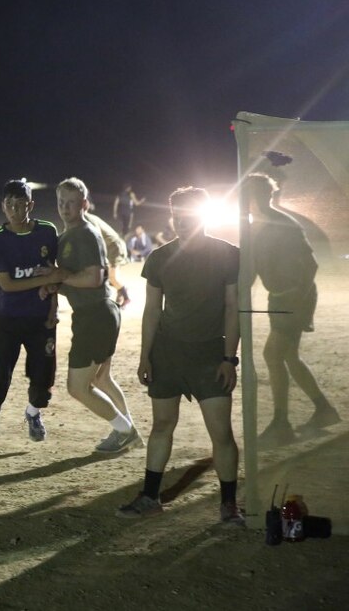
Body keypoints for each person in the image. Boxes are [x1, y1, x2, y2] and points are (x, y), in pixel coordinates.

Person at [117, 186, 244, 525]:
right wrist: (145, 356)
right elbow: (151, 313)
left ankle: (229, 504)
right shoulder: (159, 258)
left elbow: (234, 308)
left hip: (209, 355)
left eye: (189, 217)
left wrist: (229, 358)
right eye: (177, 217)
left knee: (221, 433)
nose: (182, 223)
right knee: (162, 425)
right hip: (168, 353)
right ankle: (150, 497)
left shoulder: (228, 254)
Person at [243, 173, 339, 444]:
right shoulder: (253, 228)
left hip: (295, 298)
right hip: (279, 298)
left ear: (259, 197)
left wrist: (298, 298)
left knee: (273, 355)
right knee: (288, 356)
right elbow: (250, 271)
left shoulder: (284, 225)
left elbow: (311, 265)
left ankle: (281, 422)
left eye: (247, 196)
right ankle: (324, 409)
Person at [53, 178, 140, 453]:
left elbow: (93, 278)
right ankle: (127, 430)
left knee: (77, 387)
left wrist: (60, 277)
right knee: (101, 379)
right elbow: (76, 280)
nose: (65, 208)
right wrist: (56, 284)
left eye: (72, 203)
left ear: (84, 205)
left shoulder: (85, 233)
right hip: (97, 314)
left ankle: (126, 430)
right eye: (61, 203)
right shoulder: (68, 235)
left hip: (96, 316)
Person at [0, 179, 62, 456]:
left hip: (41, 321)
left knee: (43, 379)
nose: (14, 209)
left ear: (30, 205)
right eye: (9, 204)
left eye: (20, 203)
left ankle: (33, 413)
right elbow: (8, 284)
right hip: (7, 321)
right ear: (3, 206)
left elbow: (55, 273)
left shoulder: (48, 232)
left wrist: (53, 309)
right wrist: (42, 282)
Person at [85, 211, 132, 307]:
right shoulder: (86, 217)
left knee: (112, 277)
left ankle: (126, 298)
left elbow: (97, 237)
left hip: (114, 247)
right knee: (109, 277)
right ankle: (121, 291)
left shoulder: (87, 218)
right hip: (112, 247)